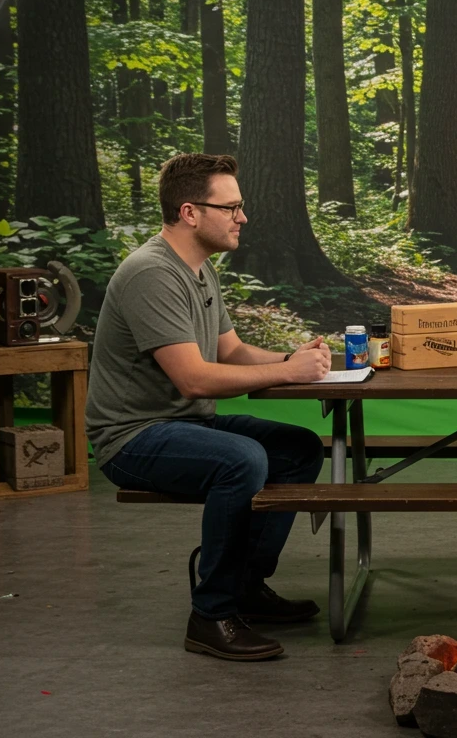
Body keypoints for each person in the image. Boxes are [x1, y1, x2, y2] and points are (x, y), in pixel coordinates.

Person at [87, 153, 332, 661]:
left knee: (298, 449)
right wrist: (288, 372)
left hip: (183, 423)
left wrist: (293, 358)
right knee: (242, 459)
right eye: (231, 207)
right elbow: (195, 379)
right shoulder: (151, 273)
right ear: (190, 213)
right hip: (132, 437)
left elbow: (231, 352)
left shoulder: (199, 270)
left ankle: (245, 588)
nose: (243, 217)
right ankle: (211, 614)